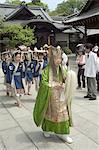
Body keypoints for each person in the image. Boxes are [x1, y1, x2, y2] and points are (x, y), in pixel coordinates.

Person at [33, 46, 77, 143]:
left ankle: (64, 133)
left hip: (61, 98)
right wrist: (53, 86)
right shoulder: (46, 70)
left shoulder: (63, 69)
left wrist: (68, 81)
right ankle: (47, 129)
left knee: (63, 115)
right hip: (50, 97)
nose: (59, 60)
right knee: (50, 114)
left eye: (60, 58)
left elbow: (66, 80)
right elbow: (43, 83)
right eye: (57, 58)